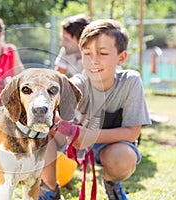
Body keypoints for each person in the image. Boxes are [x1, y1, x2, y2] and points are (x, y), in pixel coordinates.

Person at [55, 19, 151, 200]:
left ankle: (111, 182)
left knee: (123, 159)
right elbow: (58, 111)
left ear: (121, 58)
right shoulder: (78, 83)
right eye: (87, 53)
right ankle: (49, 189)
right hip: (78, 143)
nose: (93, 61)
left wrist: (90, 135)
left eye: (103, 53)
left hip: (112, 145)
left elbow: (132, 133)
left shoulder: (131, 81)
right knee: (43, 139)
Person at [39, 14, 89, 200]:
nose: (62, 42)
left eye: (66, 38)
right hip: (72, 115)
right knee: (45, 130)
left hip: (89, 118)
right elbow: (53, 83)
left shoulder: (93, 58)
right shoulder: (66, 52)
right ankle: (48, 185)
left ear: (80, 38)